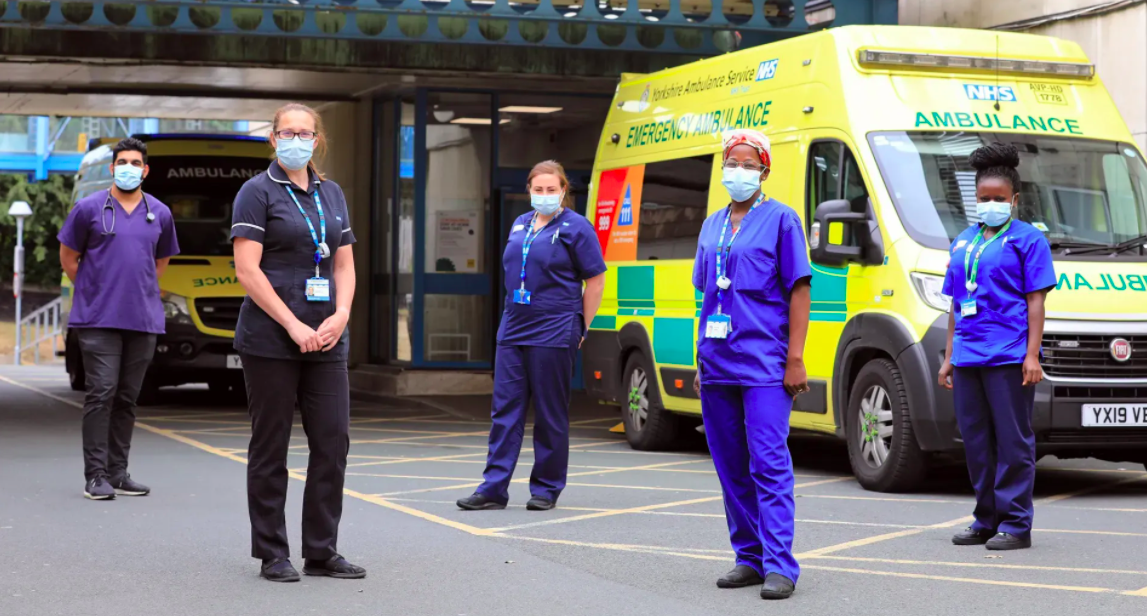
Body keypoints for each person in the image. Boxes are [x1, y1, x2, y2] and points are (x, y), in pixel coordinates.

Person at [231, 103, 365, 582]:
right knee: (272, 446)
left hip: (328, 338)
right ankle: (273, 552)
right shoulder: (256, 192)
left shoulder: (331, 194)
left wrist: (342, 315)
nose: (297, 139)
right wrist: (292, 324)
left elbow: (344, 264)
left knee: (332, 442)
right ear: (273, 139)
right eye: (288, 132)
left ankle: (322, 550)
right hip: (271, 338)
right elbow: (248, 270)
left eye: (305, 133)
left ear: (317, 139)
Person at [692, 129, 811, 600]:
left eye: (747, 163)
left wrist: (795, 359)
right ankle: (749, 556)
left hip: (764, 362)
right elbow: (703, 296)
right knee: (729, 465)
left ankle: (781, 565)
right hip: (718, 362)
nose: (737, 171)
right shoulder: (711, 224)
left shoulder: (782, 220)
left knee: (768, 462)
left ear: (763, 170)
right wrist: (699, 358)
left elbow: (799, 289)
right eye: (731, 163)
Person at [456, 160, 607, 512]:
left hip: (554, 327)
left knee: (550, 412)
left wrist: (582, 324)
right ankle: (493, 487)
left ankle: (546, 488)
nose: (544, 195)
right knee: (504, 410)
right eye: (538, 190)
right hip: (514, 326)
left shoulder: (576, 227)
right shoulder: (520, 224)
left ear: (563, 191)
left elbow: (595, 279)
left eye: (551, 190)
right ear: (528, 191)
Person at [939, 142, 1056, 551]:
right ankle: (985, 518)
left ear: (1014, 200)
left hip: (1008, 356)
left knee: (1012, 442)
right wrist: (950, 357)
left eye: (999, 199)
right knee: (976, 442)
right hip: (969, 356)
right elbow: (955, 303)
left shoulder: (1028, 241)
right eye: (984, 198)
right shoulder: (963, 241)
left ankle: (1016, 524)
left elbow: (1036, 302)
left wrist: (1031, 355)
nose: (991, 204)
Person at [58, 137, 179, 501]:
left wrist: (135, 289)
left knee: (127, 396)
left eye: (135, 163)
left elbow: (159, 263)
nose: (129, 168)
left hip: (143, 319)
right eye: (122, 162)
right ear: (112, 168)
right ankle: (95, 476)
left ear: (145, 170)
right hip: (98, 320)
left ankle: (118, 472)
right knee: (102, 392)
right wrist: (95, 290)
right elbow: (68, 257)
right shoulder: (89, 208)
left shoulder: (159, 212)